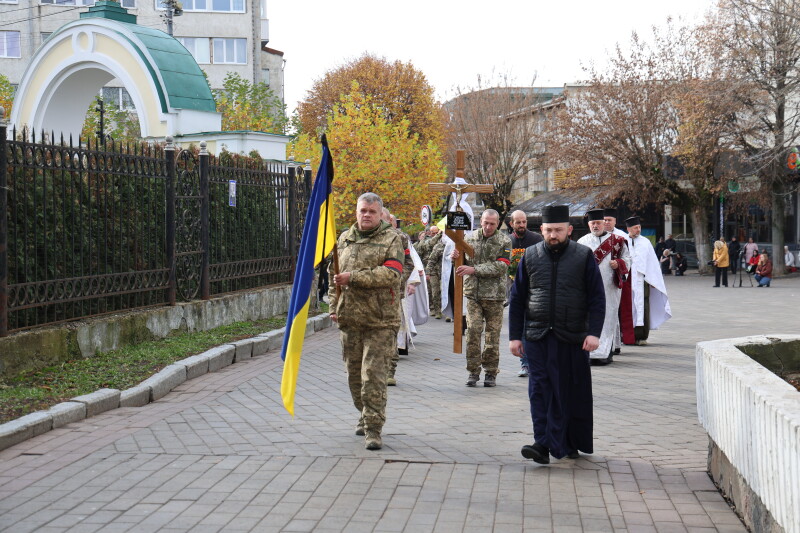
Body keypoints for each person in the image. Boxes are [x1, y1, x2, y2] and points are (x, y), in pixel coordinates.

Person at [508, 205, 605, 463]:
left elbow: (597, 298)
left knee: (569, 390)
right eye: (548, 230)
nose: (553, 235)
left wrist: (594, 333)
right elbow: (517, 299)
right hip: (537, 335)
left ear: (569, 230)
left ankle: (568, 441)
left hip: (572, 336)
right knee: (539, 389)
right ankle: (542, 443)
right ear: (541, 230)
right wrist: (515, 336)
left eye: (558, 230)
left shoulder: (583, 256)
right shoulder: (529, 256)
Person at [328, 192, 405, 450]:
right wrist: (333, 305)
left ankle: (374, 427)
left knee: (373, 375)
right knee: (354, 377)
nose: (367, 215)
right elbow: (333, 275)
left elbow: (392, 274)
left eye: (372, 211)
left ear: (380, 213)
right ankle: (363, 413)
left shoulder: (392, 238)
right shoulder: (345, 238)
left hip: (380, 321)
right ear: (356, 211)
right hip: (350, 319)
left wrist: (354, 278)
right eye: (363, 211)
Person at [451, 209, 512, 388]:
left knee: (492, 336)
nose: (488, 226)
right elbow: (462, 262)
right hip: (473, 295)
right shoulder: (469, 239)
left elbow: (501, 266)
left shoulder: (504, 240)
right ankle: (473, 371)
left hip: (494, 296)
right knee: (473, 332)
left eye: (492, 224)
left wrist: (475, 270)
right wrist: (454, 257)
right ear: (481, 221)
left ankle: (491, 372)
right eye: (485, 222)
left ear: (498, 223)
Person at [577, 209, 630, 365]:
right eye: (592, 223)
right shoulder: (581, 242)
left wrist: (618, 264)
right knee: (590, 316)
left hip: (610, 286)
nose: (596, 226)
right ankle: (591, 350)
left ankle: (606, 351)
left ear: (604, 224)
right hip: (588, 287)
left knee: (609, 316)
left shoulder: (618, 241)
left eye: (598, 223)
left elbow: (627, 259)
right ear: (589, 224)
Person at [621, 216, 671, 346]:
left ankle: (641, 335)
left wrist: (654, 280)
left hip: (641, 280)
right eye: (635, 228)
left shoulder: (645, 242)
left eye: (639, 227)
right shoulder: (622, 241)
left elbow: (652, 263)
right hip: (626, 281)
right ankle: (625, 335)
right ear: (628, 229)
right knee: (627, 306)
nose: (638, 230)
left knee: (643, 306)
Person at [381, 210, 415, 387]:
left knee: (390, 332)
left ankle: (389, 370)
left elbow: (409, 263)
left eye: (383, 219)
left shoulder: (400, 238)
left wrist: (398, 280)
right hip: (367, 296)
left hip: (392, 293)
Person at [508, 209, 543, 377]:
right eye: (518, 222)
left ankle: (537, 361)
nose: (522, 225)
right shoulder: (507, 242)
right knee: (520, 328)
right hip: (516, 291)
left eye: (524, 222)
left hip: (535, 290)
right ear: (511, 224)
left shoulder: (536, 239)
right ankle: (525, 364)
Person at [603, 208, 631, 351]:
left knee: (613, 311)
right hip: (597, 281)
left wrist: (619, 263)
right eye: (604, 220)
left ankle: (614, 344)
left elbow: (628, 258)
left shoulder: (621, 237)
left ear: (615, 221)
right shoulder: (588, 238)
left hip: (613, 280)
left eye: (609, 220)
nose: (606, 222)